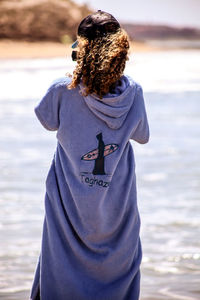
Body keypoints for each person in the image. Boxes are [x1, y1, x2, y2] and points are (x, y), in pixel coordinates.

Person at [30, 10, 149, 300]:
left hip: (69, 207)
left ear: (81, 49)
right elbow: (142, 136)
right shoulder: (132, 92)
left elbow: (46, 120)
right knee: (116, 281)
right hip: (115, 210)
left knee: (61, 276)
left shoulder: (62, 89)